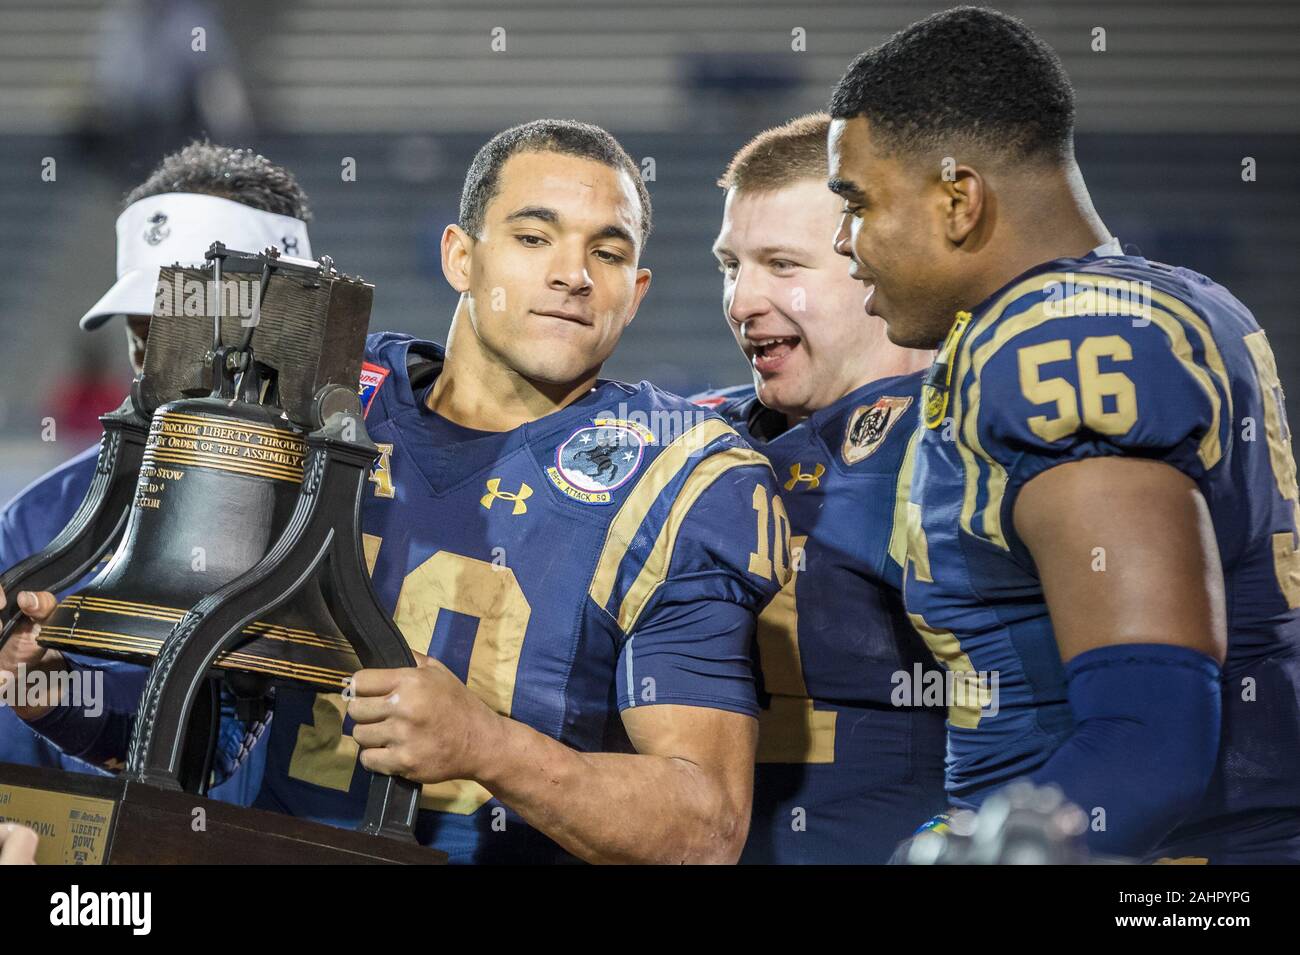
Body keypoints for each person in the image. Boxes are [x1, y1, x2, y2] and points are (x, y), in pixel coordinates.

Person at [7, 120, 792, 864]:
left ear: (638, 289)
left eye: (609, 252)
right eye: (532, 236)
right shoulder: (322, 397)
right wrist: (53, 693)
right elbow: (217, 729)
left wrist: (489, 746)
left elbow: (705, 823)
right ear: (460, 256)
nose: (573, 274)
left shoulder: (683, 473)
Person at [827, 6, 1300, 861]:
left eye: (857, 203)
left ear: (958, 199)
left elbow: (1147, 743)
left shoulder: (1063, 339)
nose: (844, 241)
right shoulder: (1160, 297)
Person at [0, 141, 313, 805]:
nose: (152, 368)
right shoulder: (42, 518)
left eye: (185, 331)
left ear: (290, 314)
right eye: (140, 335)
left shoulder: (374, 492)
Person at [693, 114, 945, 862]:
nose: (741, 301)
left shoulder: (965, 438)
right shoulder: (687, 436)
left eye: (782, 264)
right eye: (729, 265)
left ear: (874, 259)